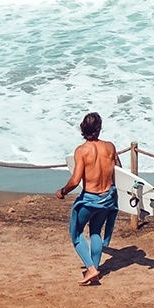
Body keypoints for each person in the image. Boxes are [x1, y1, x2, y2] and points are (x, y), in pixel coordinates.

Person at [56, 111, 119, 285]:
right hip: (107, 198)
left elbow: (76, 181)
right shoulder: (110, 147)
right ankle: (95, 270)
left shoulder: (82, 151)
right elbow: (120, 172)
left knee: (75, 233)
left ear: (83, 128)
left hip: (90, 200)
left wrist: (63, 191)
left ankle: (91, 268)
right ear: (99, 129)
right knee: (95, 231)